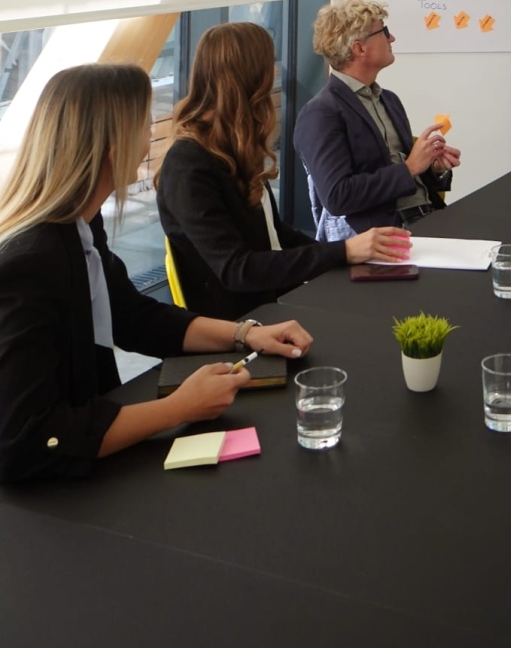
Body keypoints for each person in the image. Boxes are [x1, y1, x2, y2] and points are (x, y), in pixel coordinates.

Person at [0, 63, 314, 483]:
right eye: (144, 125)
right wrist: (179, 408)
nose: (150, 137)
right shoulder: (31, 262)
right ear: (112, 145)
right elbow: (31, 440)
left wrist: (245, 334)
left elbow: (134, 318)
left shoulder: (80, 228)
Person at [157, 23, 410, 320]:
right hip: (242, 326)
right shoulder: (188, 164)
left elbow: (274, 234)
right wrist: (342, 253)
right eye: (269, 64)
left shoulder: (228, 147)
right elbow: (238, 269)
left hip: (272, 305)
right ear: (249, 77)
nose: (275, 73)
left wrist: (346, 255)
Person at [294, 0, 461, 233]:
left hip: (427, 217)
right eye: (384, 32)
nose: (391, 38)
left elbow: (407, 175)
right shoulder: (320, 113)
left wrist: (432, 168)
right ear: (359, 48)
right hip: (384, 237)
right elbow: (337, 196)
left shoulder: (389, 100)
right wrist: (410, 167)